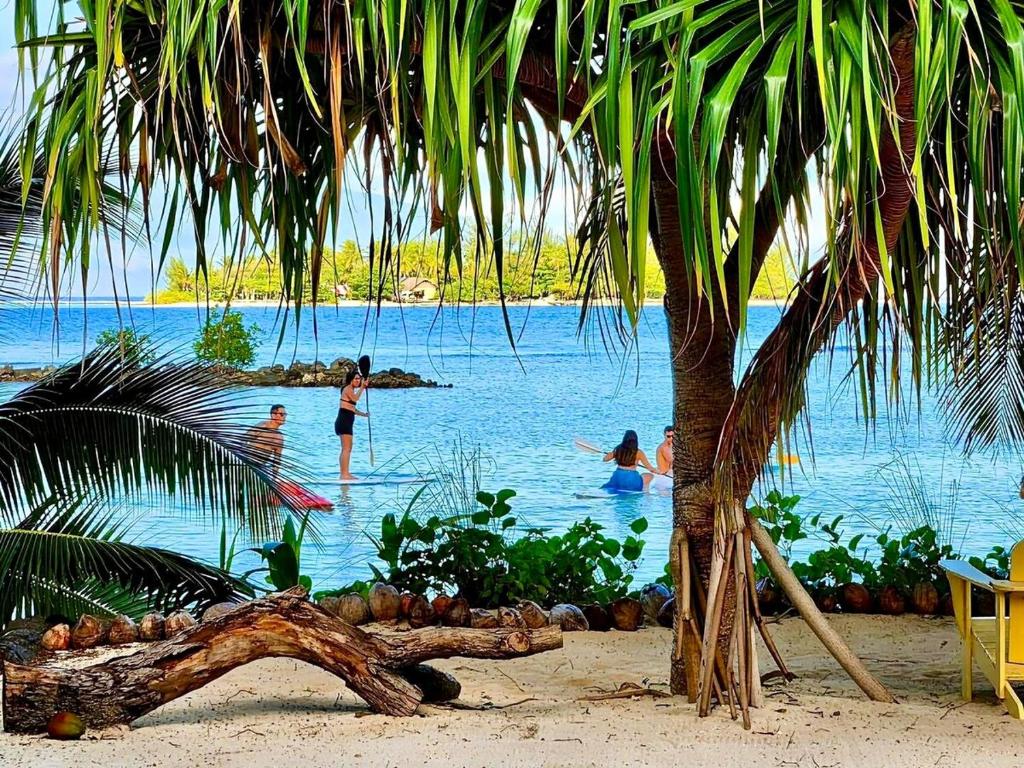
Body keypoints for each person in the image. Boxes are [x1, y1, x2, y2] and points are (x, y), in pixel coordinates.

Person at [335, 368, 370, 480]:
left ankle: (344, 473)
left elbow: (352, 408)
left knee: (346, 448)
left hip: (346, 420)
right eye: (356, 379)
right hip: (344, 421)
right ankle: (345, 474)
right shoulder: (348, 389)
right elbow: (355, 399)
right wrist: (363, 387)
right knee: (347, 448)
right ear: (350, 380)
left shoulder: (350, 390)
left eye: (359, 379)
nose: (358, 381)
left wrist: (364, 415)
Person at [246, 404, 287, 478]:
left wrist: (274, 480)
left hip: (261, 467)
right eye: (281, 414)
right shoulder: (262, 426)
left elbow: (276, 461)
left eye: (285, 414)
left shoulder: (280, 438)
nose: (284, 417)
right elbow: (244, 439)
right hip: (247, 463)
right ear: (273, 415)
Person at [646, 425, 674, 493]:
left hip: (667, 474)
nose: (671, 438)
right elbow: (672, 460)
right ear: (664, 435)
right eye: (668, 436)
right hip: (663, 476)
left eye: (673, 436)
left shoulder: (671, 445)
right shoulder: (663, 447)